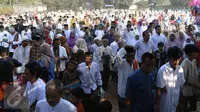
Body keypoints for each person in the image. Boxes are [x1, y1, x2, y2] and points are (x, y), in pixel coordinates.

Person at [155, 46, 185, 112]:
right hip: (165, 104)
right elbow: (159, 90)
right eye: (174, 60)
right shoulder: (163, 70)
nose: (176, 62)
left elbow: (180, 87)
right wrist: (157, 105)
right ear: (169, 58)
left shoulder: (180, 70)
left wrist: (181, 102)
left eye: (178, 60)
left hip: (175, 103)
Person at [115, 45, 138, 112]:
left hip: (132, 92)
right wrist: (124, 48)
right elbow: (118, 56)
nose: (131, 58)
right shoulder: (121, 63)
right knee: (123, 109)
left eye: (132, 56)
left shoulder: (135, 63)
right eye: (129, 56)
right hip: (123, 92)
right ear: (126, 55)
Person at [180, 44, 200, 112]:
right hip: (186, 92)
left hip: (194, 91)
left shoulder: (194, 61)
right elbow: (183, 80)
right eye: (195, 52)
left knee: (193, 108)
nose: (197, 54)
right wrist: (196, 86)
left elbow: (195, 73)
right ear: (189, 53)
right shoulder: (184, 64)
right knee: (185, 108)